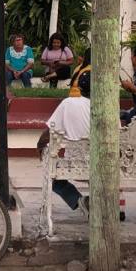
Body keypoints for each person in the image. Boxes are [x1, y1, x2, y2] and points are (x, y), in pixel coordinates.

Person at [36, 72, 92, 217]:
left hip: (75, 164)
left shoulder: (68, 103)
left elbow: (49, 132)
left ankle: (79, 200)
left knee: (53, 177)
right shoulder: (109, 106)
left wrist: (40, 148)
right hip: (104, 164)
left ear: (80, 87)